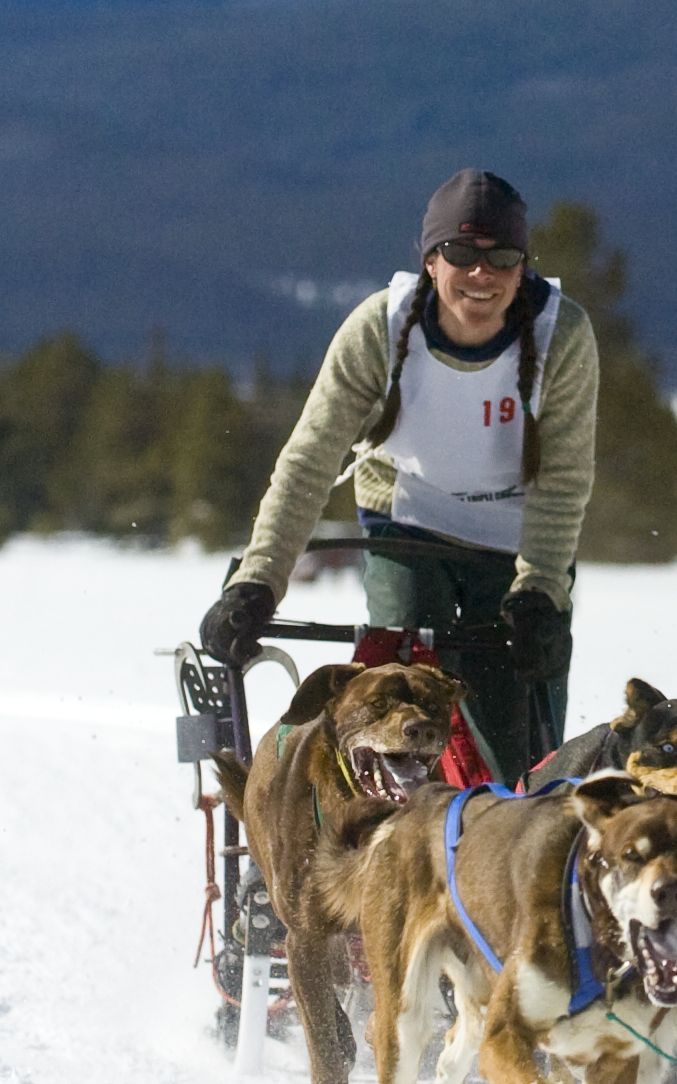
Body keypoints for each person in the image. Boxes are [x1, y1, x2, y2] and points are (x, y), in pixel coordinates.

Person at [199, 169, 598, 785]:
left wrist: (541, 589)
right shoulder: (379, 331)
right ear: (432, 262)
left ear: (524, 267)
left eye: (503, 257)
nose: (481, 275)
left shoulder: (560, 336)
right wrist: (259, 581)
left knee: (517, 744)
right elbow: (309, 461)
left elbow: (564, 478)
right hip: (408, 521)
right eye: (461, 254)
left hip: (516, 540)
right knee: (406, 694)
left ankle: (501, 841)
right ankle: (386, 822)